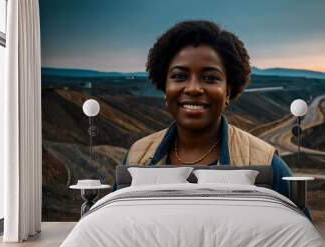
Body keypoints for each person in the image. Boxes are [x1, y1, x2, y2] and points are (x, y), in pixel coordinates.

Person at [113, 20, 311, 220]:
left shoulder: (266, 163)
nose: (193, 88)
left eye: (210, 78)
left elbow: (300, 239)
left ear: (228, 91)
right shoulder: (136, 157)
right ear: (165, 88)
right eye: (179, 76)